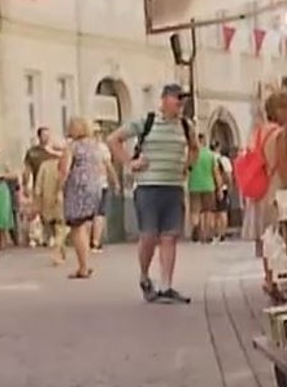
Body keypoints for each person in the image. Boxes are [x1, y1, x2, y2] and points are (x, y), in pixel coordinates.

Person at [110, 84, 199, 304]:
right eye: (177, 98)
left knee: (169, 236)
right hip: (148, 186)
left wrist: (187, 167)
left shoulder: (186, 126)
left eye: (183, 100)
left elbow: (195, 148)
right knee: (149, 235)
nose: (180, 103)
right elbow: (113, 139)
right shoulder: (147, 121)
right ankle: (144, 275)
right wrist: (130, 163)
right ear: (164, 99)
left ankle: (166, 285)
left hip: (173, 187)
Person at [246, 89, 287, 299]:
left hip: (262, 189)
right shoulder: (280, 134)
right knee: (284, 236)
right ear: (279, 110)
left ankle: (269, 278)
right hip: (277, 188)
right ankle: (285, 280)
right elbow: (284, 165)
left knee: (268, 237)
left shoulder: (260, 132)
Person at [56, 116, 107, 279]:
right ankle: (85, 263)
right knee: (84, 225)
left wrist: (58, 189)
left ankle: (83, 266)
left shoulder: (72, 147)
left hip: (77, 189)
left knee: (77, 227)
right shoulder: (94, 146)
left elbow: (64, 170)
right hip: (94, 187)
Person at [33, 133, 67, 268]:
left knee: (55, 227)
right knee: (62, 227)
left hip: (47, 202)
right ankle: (58, 251)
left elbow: (38, 187)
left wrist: (37, 202)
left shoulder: (45, 166)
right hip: (62, 200)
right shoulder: (66, 164)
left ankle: (59, 250)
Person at [187, 139, 224, 244]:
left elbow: (186, 169)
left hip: (194, 186)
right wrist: (219, 188)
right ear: (204, 142)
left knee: (195, 211)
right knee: (208, 211)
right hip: (209, 186)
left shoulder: (191, 155)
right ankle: (207, 234)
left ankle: (196, 228)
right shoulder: (210, 155)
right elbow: (216, 173)